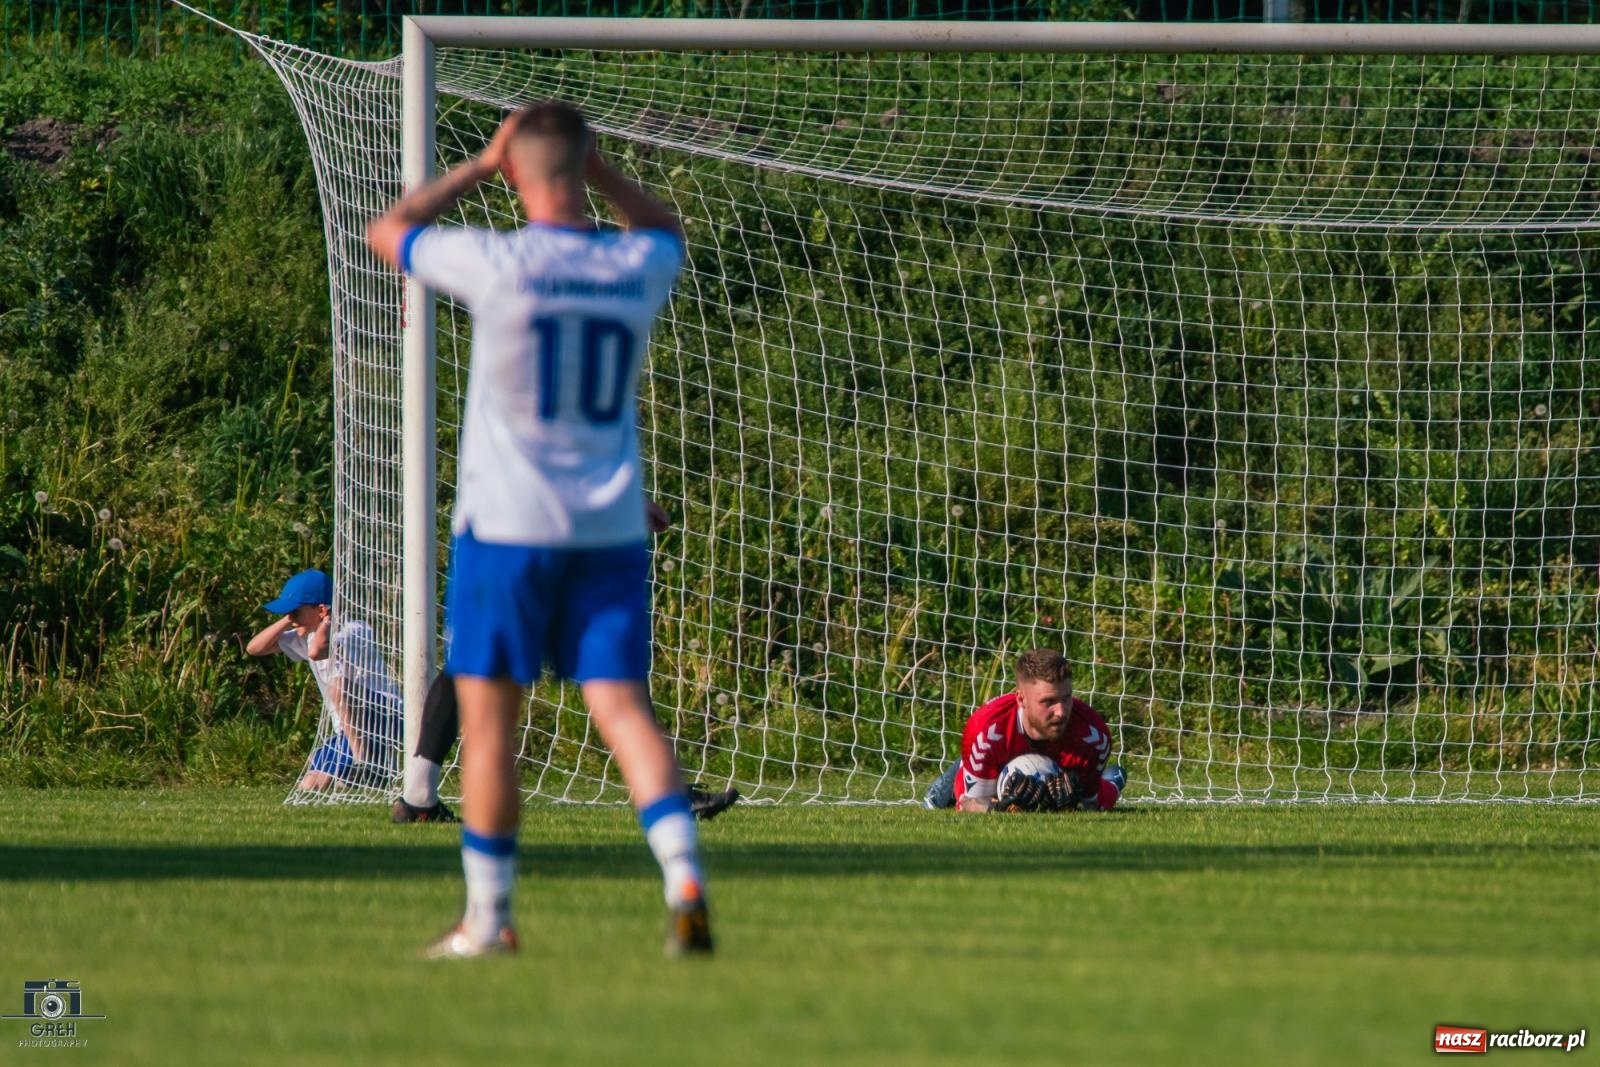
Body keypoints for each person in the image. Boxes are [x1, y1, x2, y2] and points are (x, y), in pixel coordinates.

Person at [366, 100, 711, 958]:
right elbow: (666, 226)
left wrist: (480, 167)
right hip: (609, 529)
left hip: (507, 530)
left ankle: (489, 919)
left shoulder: (500, 263)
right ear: (586, 165)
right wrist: (604, 173)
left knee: (491, 727)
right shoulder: (634, 266)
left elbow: (390, 230)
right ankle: (685, 879)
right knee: (624, 711)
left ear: (517, 170)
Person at [392, 498, 741, 826]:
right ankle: (669, 800)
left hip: (507, 521)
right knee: (592, 652)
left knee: (482, 659)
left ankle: (420, 797)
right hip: (525, 524)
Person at [245, 568, 403, 792]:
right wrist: (288, 621)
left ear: (321, 610)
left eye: (295, 613)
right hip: (348, 730)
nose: (291, 619)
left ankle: (365, 762)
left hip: (383, 717)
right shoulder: (306, 634)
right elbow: (254, 648)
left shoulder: (353, 631)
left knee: (338, 686)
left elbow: (317, 652)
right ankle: (374, 764)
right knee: (309, 785)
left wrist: (326, 622)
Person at [922, 648, 1125, 813]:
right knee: (935, 805)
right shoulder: (987, 731)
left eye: (1066, 698)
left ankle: (1114, 777)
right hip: (994, 766)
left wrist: (1073, 801)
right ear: (1021, 699)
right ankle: (948, 780)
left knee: (1106, 794)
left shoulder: (1093, 736)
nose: (1061, 712)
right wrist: (998, 807)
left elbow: (1091, 805)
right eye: (1048, 701)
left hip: (1065, 770)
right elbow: (970, 803)